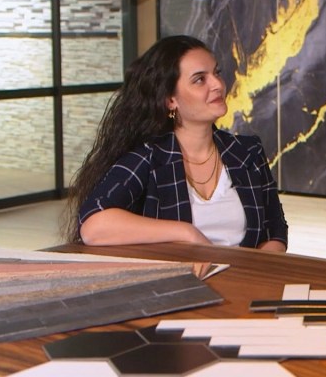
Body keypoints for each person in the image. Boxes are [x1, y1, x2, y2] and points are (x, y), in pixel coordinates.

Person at [62, 35, 288, 252]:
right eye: (200, 79)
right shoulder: (148, 157)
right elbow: (93, 226)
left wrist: (255, 267)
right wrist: (186, 233)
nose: (218, 84)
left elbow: (275, 230)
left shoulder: (247, 151)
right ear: (170, 100)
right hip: (180, 277)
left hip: (243, 275)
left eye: (216, 73)